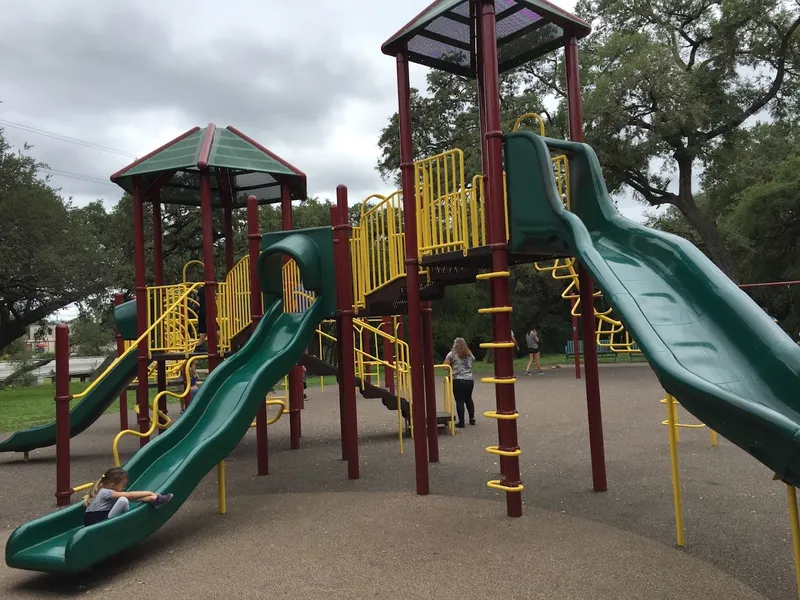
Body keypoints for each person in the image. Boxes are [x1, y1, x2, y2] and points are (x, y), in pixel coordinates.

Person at [83, 467, 173, 526]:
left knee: (124, 499)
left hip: (101, 519)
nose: (124, 488)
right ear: (112, 485)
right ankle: (127, 521)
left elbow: (135, 499)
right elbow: (130, 496)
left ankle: (155, 501)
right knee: (123, 500)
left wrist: (152, 498)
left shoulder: (111, 492)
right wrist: (149, 492)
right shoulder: (105, 492)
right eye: (122, 485)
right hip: (95, 522)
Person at [444, 337, 475, 428]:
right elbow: (473, 359)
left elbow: (445, 367)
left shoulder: (452, 354)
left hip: (457, 379)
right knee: (468, 398)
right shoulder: (469, 353)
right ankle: (472, 418)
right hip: (469, 379)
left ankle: (461, 422)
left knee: (459, 400)